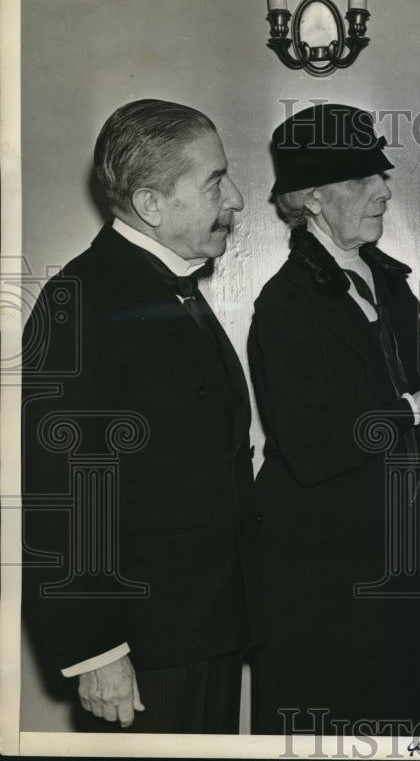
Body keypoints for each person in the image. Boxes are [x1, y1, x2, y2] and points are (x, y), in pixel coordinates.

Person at [248, 103, 420, 735]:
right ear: (309, 199)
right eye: (361, 180)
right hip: (317, 562)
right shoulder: (284, 304)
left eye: (381, 175)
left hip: (393, 545)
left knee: (401, 713)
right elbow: (312, 448)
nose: (384, 189)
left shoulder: (388, 283)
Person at [21, 99, 259, 733]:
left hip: (204, 626)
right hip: (144, 647)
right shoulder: (81, 298)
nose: (235, 199)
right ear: (151, 205)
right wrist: (97, 651)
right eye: (214, 181)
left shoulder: (169, 286)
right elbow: (61, 492)